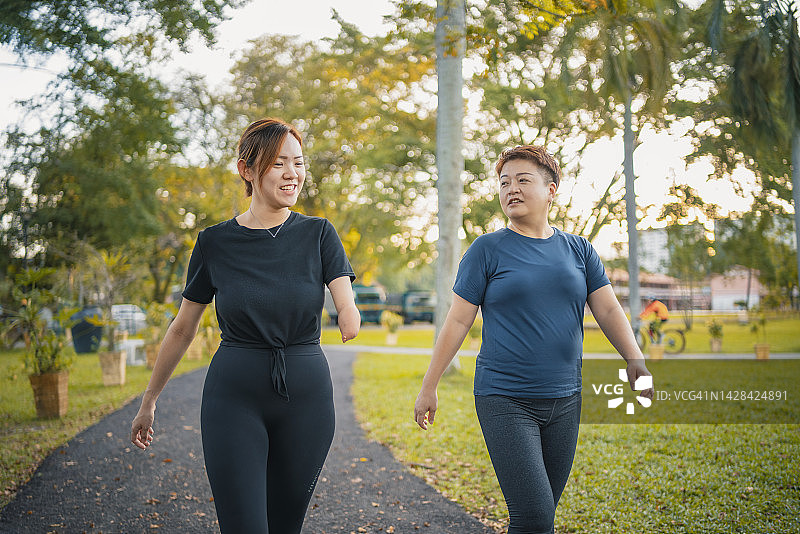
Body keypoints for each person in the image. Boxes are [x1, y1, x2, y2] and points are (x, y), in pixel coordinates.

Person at [130, 117, 360, 534]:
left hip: (306, 398)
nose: (292, 174)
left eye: (299, 163)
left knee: (284, 526)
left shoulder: (319, 234)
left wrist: (348, 311)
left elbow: (342, 290)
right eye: (278, 164)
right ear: (246, 170)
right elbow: (182, 328)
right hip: (233, 397)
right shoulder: (214, 242)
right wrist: (149, 399)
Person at [414, 145, 654, 534]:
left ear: (551, 190)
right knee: (535, 516)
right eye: (504, 182)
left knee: (539, 515)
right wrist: (430, 385)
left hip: (566, 398)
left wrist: (634, 359)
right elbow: (458, 321)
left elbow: (608, 309)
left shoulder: (578, 249)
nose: (512, 189)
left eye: (523, 180)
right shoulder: (487, 250)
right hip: (504, 399)